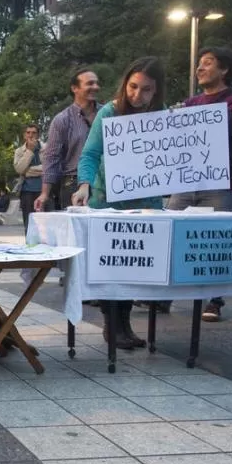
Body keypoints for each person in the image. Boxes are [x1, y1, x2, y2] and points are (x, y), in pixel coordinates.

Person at [73, 56, 167, 349]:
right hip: (107, 201)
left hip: (147, 203)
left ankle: (124, 324)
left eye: (147, 90)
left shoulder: (162, 116)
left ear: (157, 91)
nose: (138, 95)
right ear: (125, 83)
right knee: (112, 264)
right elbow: (90, 154)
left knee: (134, 265)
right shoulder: (108, 113)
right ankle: (112, 324)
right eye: (133, 87)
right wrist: (84, 184)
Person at [156, 47, 232, 322]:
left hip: (219, 182)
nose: (200, 68)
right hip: (186, 179)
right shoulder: (191, 103)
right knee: (170, 233)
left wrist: (190, 123)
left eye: (207, 63)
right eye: (199, 63)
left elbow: (230, 128)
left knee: (216, 238)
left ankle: (214, 301)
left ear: (224, 70)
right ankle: (164, 297)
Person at [36, 68, 100, 212]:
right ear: (74, 88)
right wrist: (45, 194)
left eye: (97, 83)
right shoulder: (62, 120)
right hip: (73, 184)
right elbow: (52, 158)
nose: (95, 87)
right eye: (90, 83)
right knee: (77, 233)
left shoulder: (107, 114)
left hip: (104, 184)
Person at [14, 124, 45, 231]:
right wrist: (30, 151)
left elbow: (48, 168)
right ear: (24, 135)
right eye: (28, 132)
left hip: (44, 191)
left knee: (44, 224)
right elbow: (19, 169)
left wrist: (28, 171)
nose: (30, 135)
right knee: (28, 223)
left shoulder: (46, 149)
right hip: (26, 191)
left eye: (34, 132)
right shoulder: (19, 151)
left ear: (38, 135)